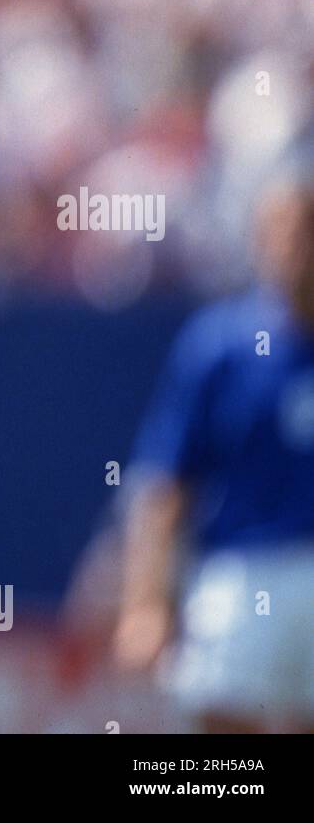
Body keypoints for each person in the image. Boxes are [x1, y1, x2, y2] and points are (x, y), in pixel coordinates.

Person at [114, 175, 314, 733]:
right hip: (243, 572)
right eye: (290, 234)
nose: (300, 252)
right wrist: (146, 602)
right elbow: (164, 484)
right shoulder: (221, 345)